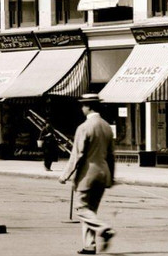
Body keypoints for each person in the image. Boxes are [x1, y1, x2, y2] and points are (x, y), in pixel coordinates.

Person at [59, 94, 115, 255]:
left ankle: (104, 229)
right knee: (91, 211)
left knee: (82, 209)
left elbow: (77, 154)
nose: (81, 108)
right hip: (103, 174)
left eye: (83, 105)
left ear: (88, 106)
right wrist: (111, 177)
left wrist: (65, 175)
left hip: (87, 175)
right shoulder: (106, 126)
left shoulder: (84, 127)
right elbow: (111, 155)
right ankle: (89, 245)